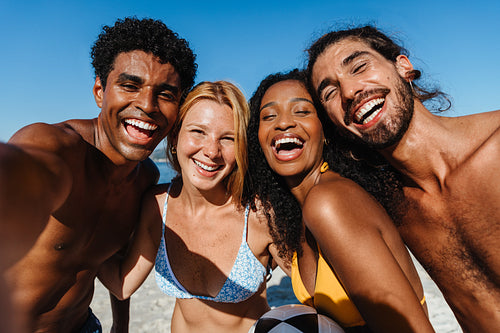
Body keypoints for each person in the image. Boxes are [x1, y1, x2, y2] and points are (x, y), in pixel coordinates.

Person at [1, 17, 197, 332]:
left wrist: (121, 326)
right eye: (130, 85)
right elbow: (24, 167)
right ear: (99, 91)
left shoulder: (144, 178)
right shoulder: (58, 148)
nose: (147, 105)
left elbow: (115, 258)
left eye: (165, 93)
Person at [306, 25, 500, 333]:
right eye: (329, 92)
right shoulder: (390, 206)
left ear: (403, 66)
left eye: (359, 67)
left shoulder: (495, 147)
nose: (349, 92)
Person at [245, 69, 434, 333]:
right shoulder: (297, 212)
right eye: (269, 116)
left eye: (301, 111)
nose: (283, 123)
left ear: (326, 131)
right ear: (258, 139)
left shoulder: (330, 201)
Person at [98, 81, 280, 332]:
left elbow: (314, 289)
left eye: (228, 138)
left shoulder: (259, 213)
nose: (212, 151)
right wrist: (77, 226)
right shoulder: (156, 207)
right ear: (175, 136)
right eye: (198, 132)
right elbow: (121, 284)